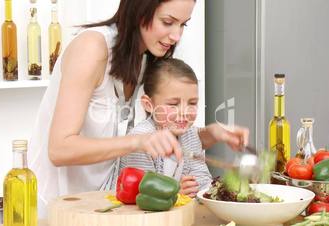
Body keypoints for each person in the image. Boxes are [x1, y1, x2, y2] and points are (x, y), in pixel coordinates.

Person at [28, 0, 249, 217]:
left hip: (99, 204)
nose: (176, 36)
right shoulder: (92, 48)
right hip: (56, 207)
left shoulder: (144, 58)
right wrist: (139, 142)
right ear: (139, 9)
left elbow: (173, 133)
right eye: (168, 21)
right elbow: (59, 149)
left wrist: (211, 134)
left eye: (183, 24)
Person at [120, 58, 212, 198]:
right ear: (148, 104)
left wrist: (196, 187)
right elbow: (141, 195)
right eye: (173, 104)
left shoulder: (190, 134)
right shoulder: (140, 140)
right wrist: (175, 192)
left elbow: (204, 182)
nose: (184, 112)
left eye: (192, 103)